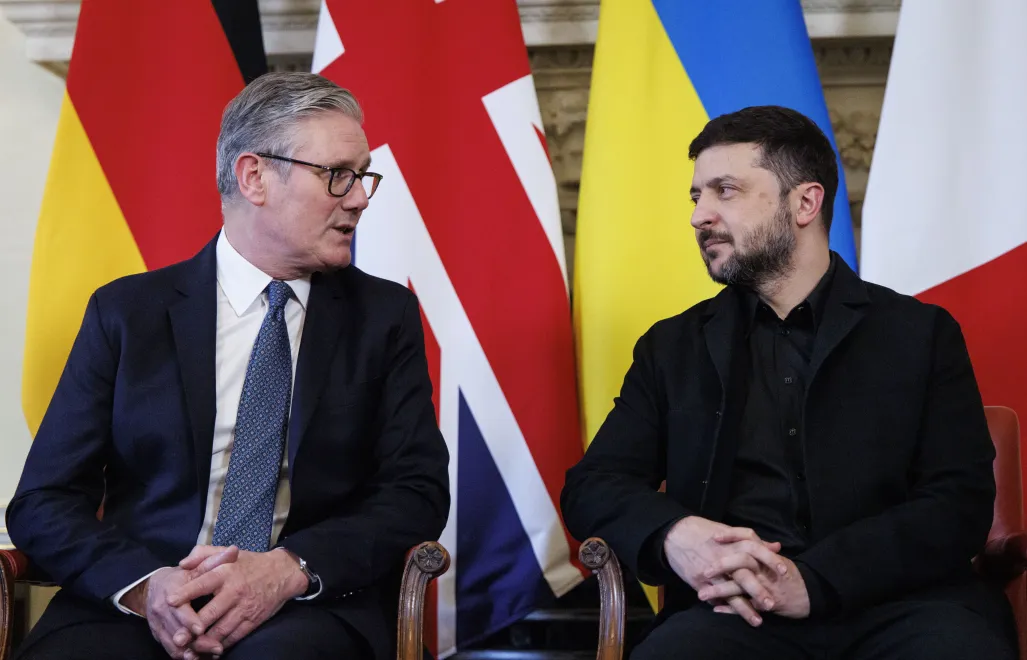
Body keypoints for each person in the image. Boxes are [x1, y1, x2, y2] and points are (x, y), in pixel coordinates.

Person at [6, 71, 449, 660]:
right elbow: (43, 500)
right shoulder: (127, 313)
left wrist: (288, 569)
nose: (361, 197)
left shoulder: (383, 317)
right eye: (338, 176)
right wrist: (145, 586)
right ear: (254, 176)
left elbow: (416, 491)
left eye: (363, 176)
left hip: (303, 607)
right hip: (139, 603)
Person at [560, 105, 1016, 659]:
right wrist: (677, 534)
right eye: (696, 196)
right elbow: (593, 484)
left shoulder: (920, 334)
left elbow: (958, 504)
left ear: (805, 202)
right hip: (735, 616)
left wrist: (816, 580)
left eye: (724, 190)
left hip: (906, 608)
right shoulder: (671, 347)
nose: (699, 216)